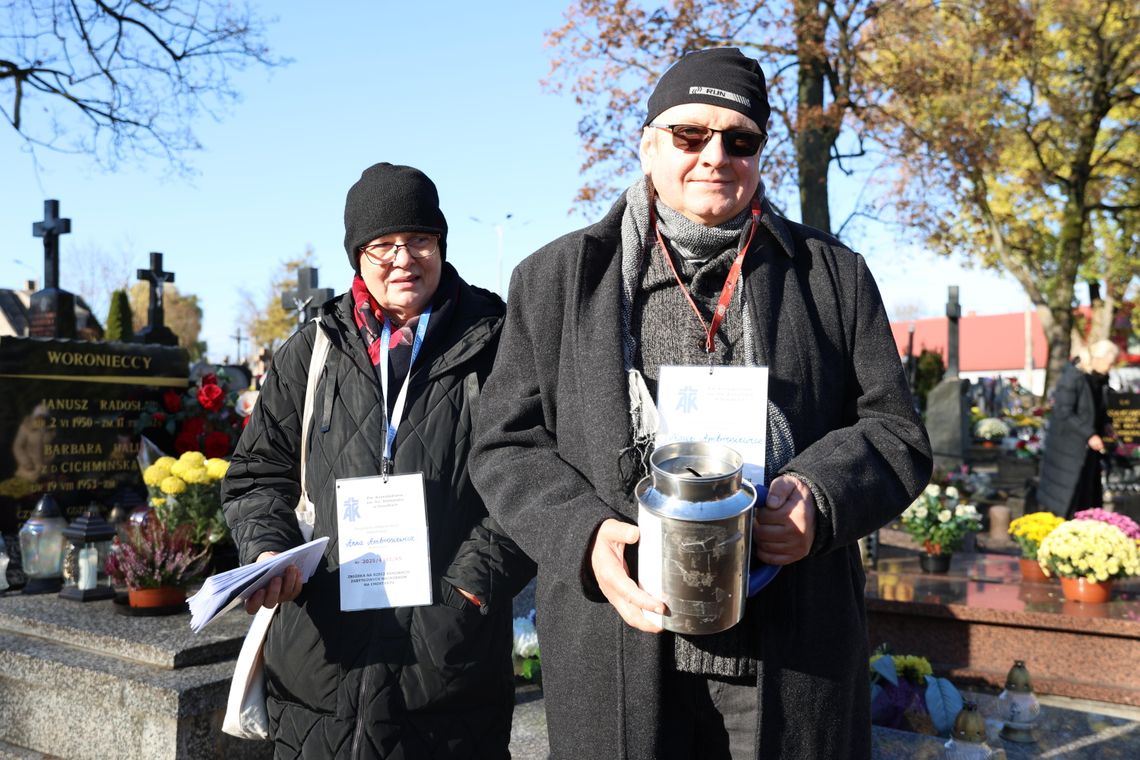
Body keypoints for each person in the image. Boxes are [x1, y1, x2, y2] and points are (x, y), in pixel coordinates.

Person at [470, 48, 932, 759]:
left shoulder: (833, 275)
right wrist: (585, 535)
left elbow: (895, 429)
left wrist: (820, 498)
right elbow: (505, 443)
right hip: (621, 636)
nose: (715, 155)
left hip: (788, 642)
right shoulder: (555, 278)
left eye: (739, 140)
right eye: (690, 135)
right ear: (650, 146)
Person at [222, 163, 534, 758]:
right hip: (318, 656)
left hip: (449, 662)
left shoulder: (496, 340)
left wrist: (469, 589)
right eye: (382, 245)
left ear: (440, 243)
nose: (403, 258)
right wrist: (267, 551)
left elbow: (532, 476)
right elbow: (257, 475)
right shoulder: (311, 351)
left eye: (420, 239)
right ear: (357, 256)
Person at [1037, 339, 1120, 518]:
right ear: (1097, 358)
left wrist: (1107, 425)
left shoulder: (1100, 381)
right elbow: (1064, 412)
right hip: (1069, 449)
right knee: (1069, 501)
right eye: (1110, 363)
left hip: (1089, 451)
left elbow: (1097, 410)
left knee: (1089, 495)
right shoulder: (1073, 377)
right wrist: (1090, 434)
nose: (1110, 368)